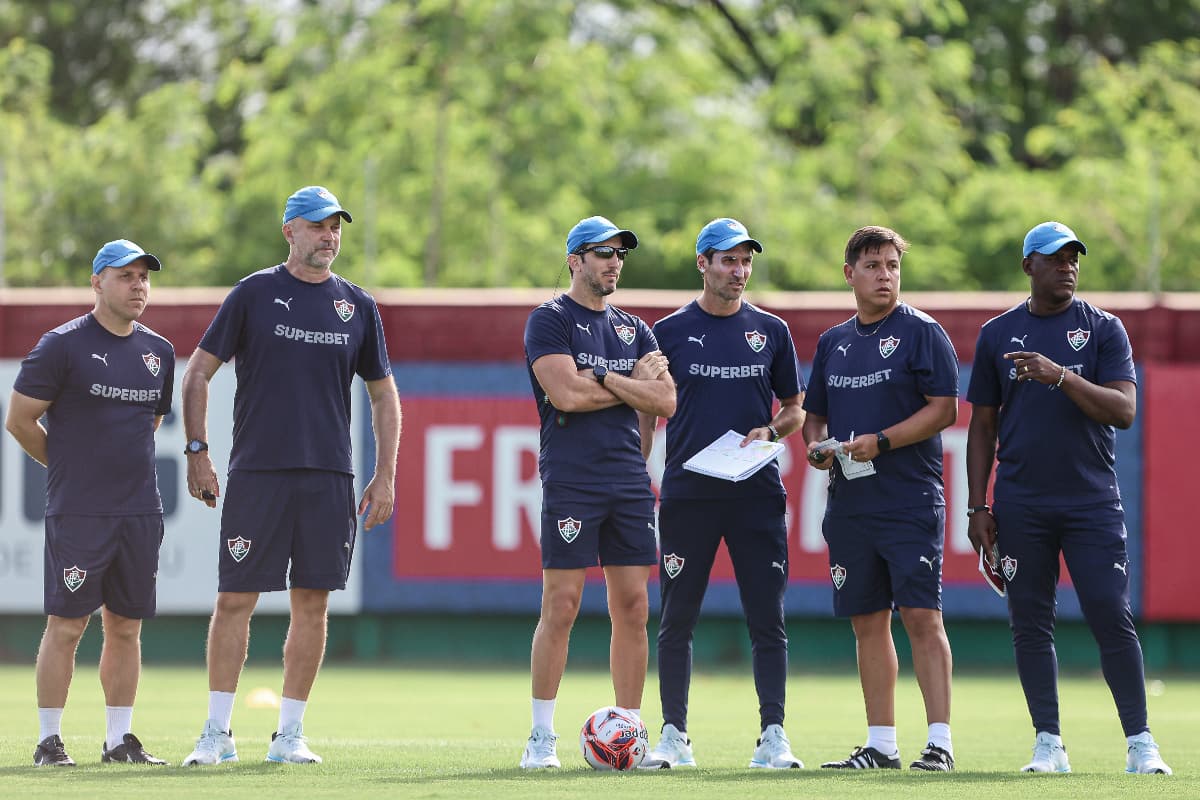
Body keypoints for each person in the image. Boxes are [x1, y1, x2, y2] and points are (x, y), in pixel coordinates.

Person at [180, 186, 401, 766]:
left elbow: (383, 395)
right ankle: (216, 733)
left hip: (329, 475)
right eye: (318, 225)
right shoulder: (253, 293)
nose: (329, 236)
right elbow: (197, 373)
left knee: (313, 604)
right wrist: (197, 451)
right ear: (290, 231)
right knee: (235, 599)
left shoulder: (358, 305)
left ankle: (290, 735)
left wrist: (385, 473)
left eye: (336, 227)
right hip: (258, 472)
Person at [965, 221, 1172, 775]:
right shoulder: (998, 334)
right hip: (1021, 503)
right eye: (1055, 258)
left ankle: (1141, 742)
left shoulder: (1104, 329)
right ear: (1028, 266)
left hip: (1091, 502)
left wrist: (1060, 377)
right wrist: (977, 506)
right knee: (1030, 622)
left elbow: (1124, 411)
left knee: (1111, 614)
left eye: (1073, 258)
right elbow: (982, 427)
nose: (1068, 266)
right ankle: (1048, 743)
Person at [636, 218, 806, 769]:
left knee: (767, 617)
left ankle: (774, 735)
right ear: (702, 263)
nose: (739, 271)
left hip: (756, 493)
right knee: (677, 617)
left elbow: (796, 409)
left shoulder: (772, 330)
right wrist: (637, 471)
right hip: (689, 494)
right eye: (729, 260)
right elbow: (648, 411)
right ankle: (674, 735)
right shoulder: (667, 331)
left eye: (746, 260)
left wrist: (772, 430)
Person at [6, 240, 174, 767]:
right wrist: (68, 466)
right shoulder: (62, 345)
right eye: (126, 276)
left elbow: (150, 422)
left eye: (144, 277)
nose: (138, 285)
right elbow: (19, 420)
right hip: (79, 510)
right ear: (97, 282)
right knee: (68, 624)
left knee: (126, 626)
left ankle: (118, 740)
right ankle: (48, 741)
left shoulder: (159, 351)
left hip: (140, 510)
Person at [519, 215, 676, 769]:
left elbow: (666, 401)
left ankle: (629, 732)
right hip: (573, 477)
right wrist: (630, 383)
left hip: (629, 479)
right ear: (575, 260)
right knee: (561, 605)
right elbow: (567, 394)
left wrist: (606, 377)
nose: (614, 262)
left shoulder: (636, 330)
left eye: (619, 254)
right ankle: (541, 737)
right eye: (602, 252)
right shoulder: (550, 319)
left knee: (633, 607)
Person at [801, 226, 959, 772]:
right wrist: (816, 446)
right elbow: (814, 416)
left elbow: (945, 409)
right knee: (867, 621)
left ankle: (939, 743)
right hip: (850, 502)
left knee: (921, 616)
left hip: (909, 499)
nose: (885, 275)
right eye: (872, 266)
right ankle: (881, 744)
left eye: (892, 265)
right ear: (850, 274)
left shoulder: (923, 332)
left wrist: (883, 441)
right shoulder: (833, 342)